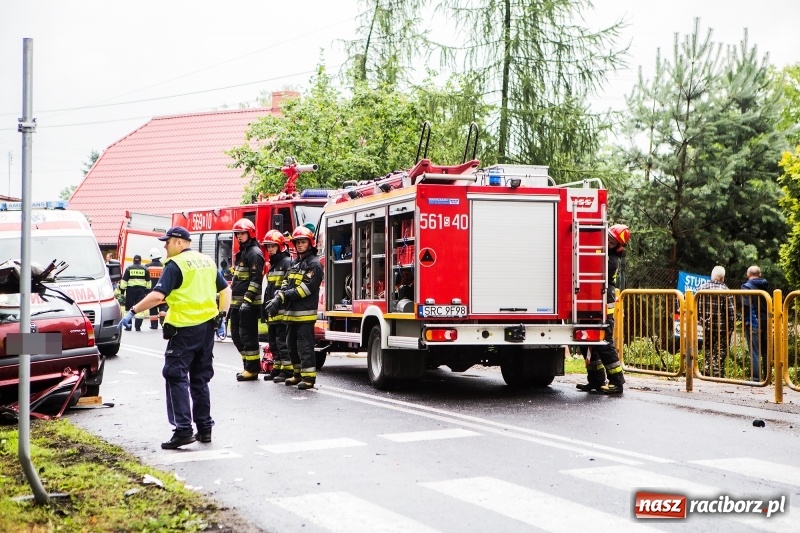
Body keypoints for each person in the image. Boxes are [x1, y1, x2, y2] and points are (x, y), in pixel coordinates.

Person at [118, 226, 231, 449]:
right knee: (200, 379)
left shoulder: (175, 264)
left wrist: (133, 311)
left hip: (184, 329)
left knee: (175, 374)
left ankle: (183, 430)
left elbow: (158, 295)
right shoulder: (206, 261)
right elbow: (226, 289)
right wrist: (223, 317)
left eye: (167, 242)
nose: (164, 246)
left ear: (179, 242)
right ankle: (205, 429)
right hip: (207, 328)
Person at [264, 226, 323, 389]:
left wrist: (283, 296)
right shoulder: (295, 262)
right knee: (291, 345)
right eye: (297, 242)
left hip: (304, 314)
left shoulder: (314, 264)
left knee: (305, 346)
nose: (299, 245)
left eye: (303, 242)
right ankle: (297, 374)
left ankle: (309, 378)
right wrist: (278, 295)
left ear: (310, 243)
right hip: (290, 314)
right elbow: (286, 282)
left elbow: (305, 289)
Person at [577, 223, 629, 394]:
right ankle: (596, 380)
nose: (608, 241)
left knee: (604, 342)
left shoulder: (610, 260)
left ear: (618, 247)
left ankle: (617, 382)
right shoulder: (603, 251)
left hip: (604, 302)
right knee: (586, 341)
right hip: (591, 299)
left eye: (612, 241)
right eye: (608, 237)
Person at [230, 218, 265, 381]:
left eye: (242, 233)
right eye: (237, 234)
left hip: (248, 305)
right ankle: (248, 365)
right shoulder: (243, 252)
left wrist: (247, 300)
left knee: (248, 336)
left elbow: (256, 279)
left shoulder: (254, 253)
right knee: (237, 336)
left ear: (250, 233)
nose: (239, 236)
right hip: (238, 303)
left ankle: (252, 369)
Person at [261, 230, 293, 381]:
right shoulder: (273, 264)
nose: (270, 249)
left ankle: (287, 371)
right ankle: (278, 368)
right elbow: (269, 288)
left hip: (282, 309)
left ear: (280, 247)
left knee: (282, 341)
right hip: (272, 310)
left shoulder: (286, 263)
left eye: (273, 246)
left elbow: (286, 287)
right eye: (268, 247)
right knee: (273, 342)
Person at [697, 266, 736, 378]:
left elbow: (696, 307)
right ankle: (716, 372)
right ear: (723, 278)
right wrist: (731, 327)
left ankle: (706, 369)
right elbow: (731, 312)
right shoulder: (726, 291)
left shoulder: (702, 288)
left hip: (706, 326)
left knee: (708, 348)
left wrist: (701, 320)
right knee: (721, 350)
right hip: (722, 328)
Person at [742, 265, 770, 381]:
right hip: (766, 322)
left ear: (748, 275)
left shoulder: (746, 287)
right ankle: (768, 378)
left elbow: (746, 306)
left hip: (754, 322)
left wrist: (747, 321)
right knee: (765, 351)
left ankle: (756, 379)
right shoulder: (765, 286)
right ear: (760, 274)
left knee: (755, 352)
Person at [119, 254, 150, 331]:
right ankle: (138, 327)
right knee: (139, 307)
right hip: (141, 290)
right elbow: (148, 282)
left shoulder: (129, 269)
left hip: (130, 290)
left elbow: (124, 282)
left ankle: (128, 327)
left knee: (128, 308)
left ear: (133, 260)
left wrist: (122, 291)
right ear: (140, 261)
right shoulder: (145, 269)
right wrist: (147, 291)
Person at [145, 248, 166, 330]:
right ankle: (163, 323)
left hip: (152, 292)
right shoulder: (164, 266)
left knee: (153, 308)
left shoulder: (147, 267)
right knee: (163, 307)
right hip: (163, 291)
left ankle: (154, 325)